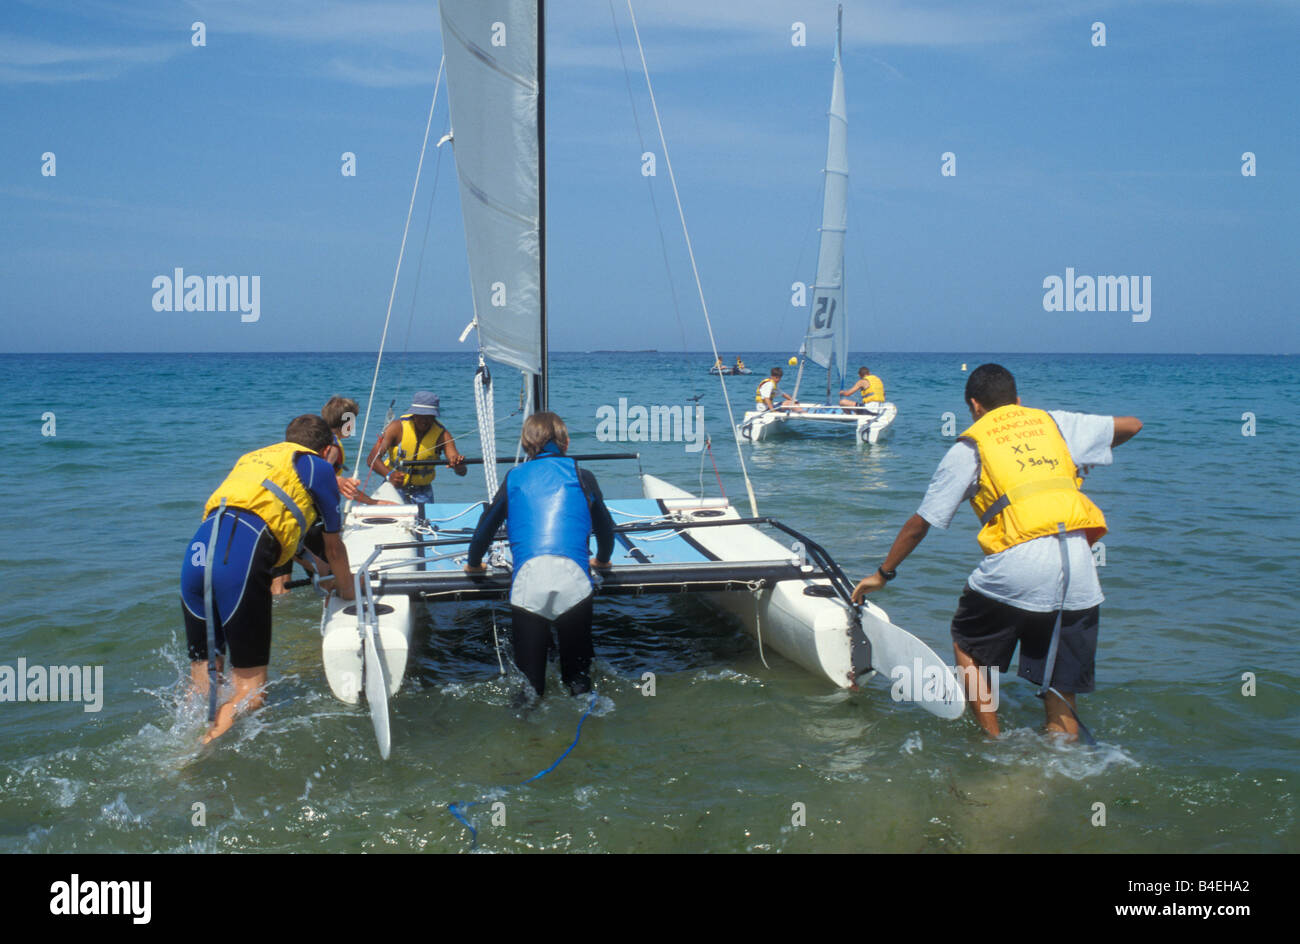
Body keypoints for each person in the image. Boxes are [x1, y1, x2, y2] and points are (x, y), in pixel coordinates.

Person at [851, 363, 1141, 740]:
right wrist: (1077, 459)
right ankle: (1063, 756)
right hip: (1081, 573)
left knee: (967, 642)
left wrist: (882, 574)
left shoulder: (971, 445)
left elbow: (922, 522)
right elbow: (1133, 425)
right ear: (1018, 401)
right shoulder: (1055, 424)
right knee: (1059, 685)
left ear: (974, 406)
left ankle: (992, 740)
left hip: (1019, 565)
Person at [181, 415, 355, 744]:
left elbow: (278, 529)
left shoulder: (255, 459)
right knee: (252, 692)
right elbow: (334, 547)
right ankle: (204, 747)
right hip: (239, 557)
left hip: (197, 553)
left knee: (205, 681)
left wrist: (320, 570)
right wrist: (349, 592)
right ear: (327, 448)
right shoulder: (318, 466)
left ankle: (187, 739)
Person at [464, 411, 615, 700]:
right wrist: (603, 559)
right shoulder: (583, 477)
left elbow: (484, 529)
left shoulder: (514, 477)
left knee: (529, 688)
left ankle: (527, 739)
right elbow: (606, 530)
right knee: (579, 682)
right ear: (566, 443)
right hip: (575, 584)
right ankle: (591, 733)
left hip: (528, 585)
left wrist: (473, 564)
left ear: (525, 444)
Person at [271, 396, 393, 594]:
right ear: (347, 422)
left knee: (280, 583)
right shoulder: (333, 446)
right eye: (353, 420)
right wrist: (373, 501)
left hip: (284, 512)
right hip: (309, 518)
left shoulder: (309, 441)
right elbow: (322, 480)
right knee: (329, 579)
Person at [365, 391, 466, 503]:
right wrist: (389, 475)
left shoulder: (442, 435)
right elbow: (372, 459)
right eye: (420, 416)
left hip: (423, 492)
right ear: (413, 414)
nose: (424, 421)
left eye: (429, 416)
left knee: (424, 520)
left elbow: (462, 471)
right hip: (393, 486)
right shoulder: (396, 428)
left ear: (434, 416)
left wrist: (458, 465)